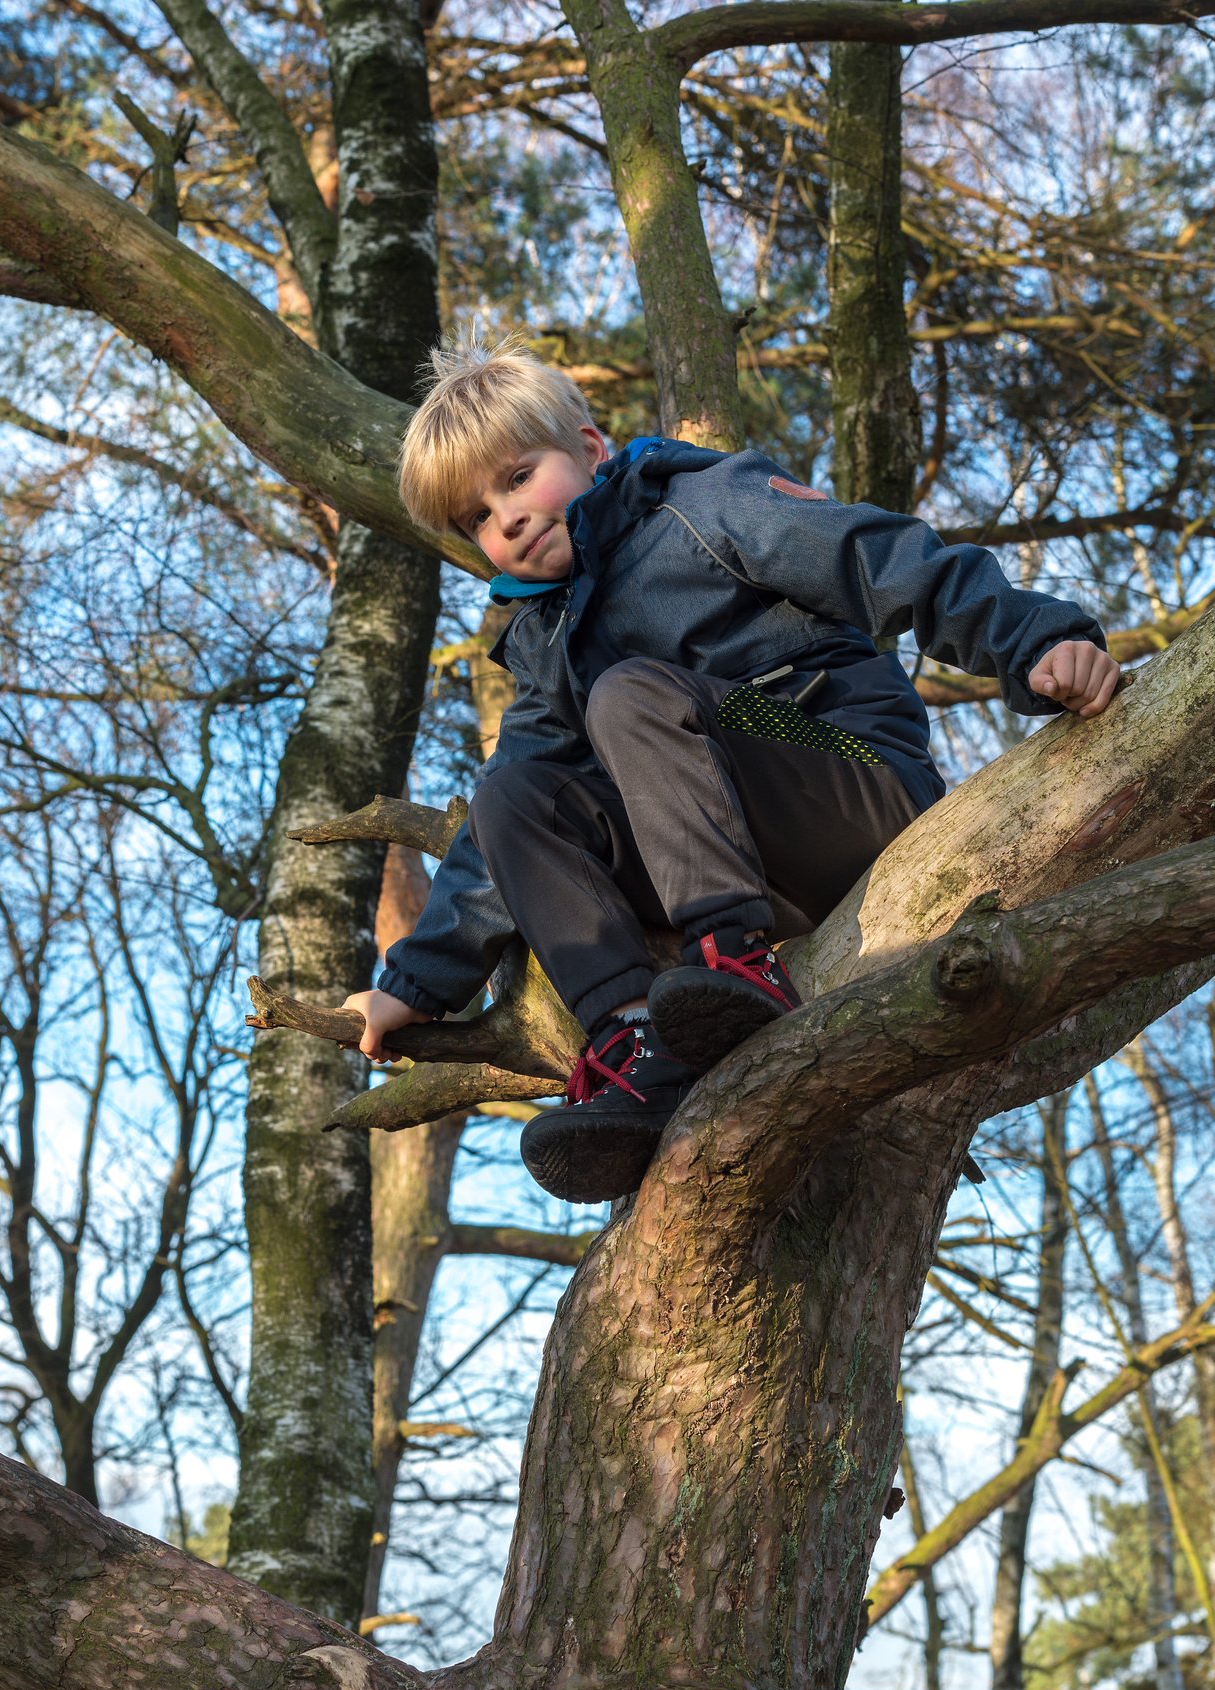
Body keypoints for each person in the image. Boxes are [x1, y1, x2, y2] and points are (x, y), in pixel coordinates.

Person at [344, 334, 1118, 1203]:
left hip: (846, 781)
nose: (509, 518)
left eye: (518, 477)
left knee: (630, 695)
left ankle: (729, 964)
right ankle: (636, 1045)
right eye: (479, 517)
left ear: (592, 450)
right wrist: (410, 985)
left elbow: (881, 558)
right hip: (730, 856)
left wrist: (1037, 638)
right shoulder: (545, 645)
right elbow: (495, 846)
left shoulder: (705, 505)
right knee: (515, 791)